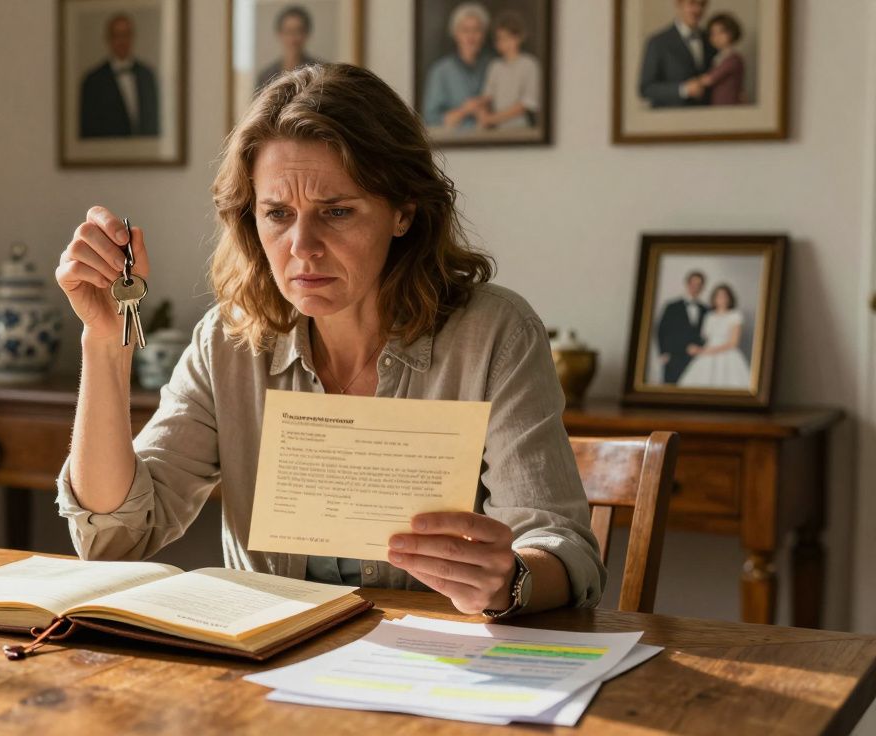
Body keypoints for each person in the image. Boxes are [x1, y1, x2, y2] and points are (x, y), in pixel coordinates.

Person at [54, 64, 605, 617]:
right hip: (270, 657)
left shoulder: (494, 336)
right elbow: (114, 536)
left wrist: (511, 579)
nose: (303, 245)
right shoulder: (228, 341)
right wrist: (103, 341)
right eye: (278, 214)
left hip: (437, 660)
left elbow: (564, 549)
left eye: (336, 211)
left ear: (403, 212)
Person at [79, 14, 160, 138]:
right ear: (108, 39)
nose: (122, 41)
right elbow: (89, 132)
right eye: (117, 36)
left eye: (126, 35)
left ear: (132, 37)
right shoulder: (93, 82)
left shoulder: (147, 76)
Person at [421, 2, 494, 130]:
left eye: (476, 30)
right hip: (453, 141)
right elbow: (430, 119)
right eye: (465, 30)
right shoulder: (440, 71)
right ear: (455, 34)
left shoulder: (494, 66)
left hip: (495, 139)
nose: (471, 36)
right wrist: (465, 110)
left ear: (483, 35)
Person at [638, 0, 712, 108]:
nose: (697, 10)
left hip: (707, 115)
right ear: (678, 4)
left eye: (702, 5)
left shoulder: (711, 40)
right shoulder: (658, 42)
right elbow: (646, 89)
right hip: (670, 116)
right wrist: (683, 90)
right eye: (692, 3)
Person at [475, 10, 540, 130]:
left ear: (519, 38)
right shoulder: (495, 66)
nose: (505, 43)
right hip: (499, 130)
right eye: (500, 39)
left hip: (522, 128)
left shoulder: (529, 64)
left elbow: (527, 103)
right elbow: (487, 96)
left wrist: (492, 119)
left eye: (509, 38)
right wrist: (480, 110)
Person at [679, 284, 751, 389]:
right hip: (707, 353)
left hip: (727, 353)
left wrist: (706, 351)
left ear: (729, 298)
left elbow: (733, 343)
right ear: (714, 298)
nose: (721, 299)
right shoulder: (709, 316)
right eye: (718, 296)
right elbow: (705, 338)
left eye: (724, 296)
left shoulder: (735, 315)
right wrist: (698, 349)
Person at [655, 271, 707, 384]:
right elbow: (661, 330)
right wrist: (663, 352)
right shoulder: (672, 307)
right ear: (687, 284)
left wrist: (700, 349)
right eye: (693, 284)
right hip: (673, 357)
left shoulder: (706, 310)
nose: (695, 288)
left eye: (698, 285)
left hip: (697, 359)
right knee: (671, 389)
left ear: (702, 287)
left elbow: (708, 334)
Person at [256, 5, 323, 93]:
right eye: (288, 31)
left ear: (306, 34)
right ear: (279, 34)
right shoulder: (266, 76)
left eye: (298, 31)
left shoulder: (320, 73)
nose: (293, 38)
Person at [698, 13, 746, 106]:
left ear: (731, 33)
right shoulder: (718, 57)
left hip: (729, 104)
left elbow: (710, 79)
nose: (717, 37)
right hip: (718, 103)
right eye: (713, 33)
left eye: (721, 32)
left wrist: (694, 83)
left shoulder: (734, 59)